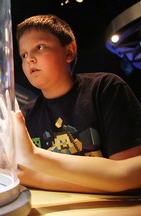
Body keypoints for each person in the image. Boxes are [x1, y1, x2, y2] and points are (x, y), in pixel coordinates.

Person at [10, 14, 141, 194]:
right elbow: (1, 166)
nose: (29, 59)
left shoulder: (105, 89)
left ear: (69, 51)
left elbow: (130, 177)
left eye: (39, 47)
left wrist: (36, 174)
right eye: (23, 55)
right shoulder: (27, 114)